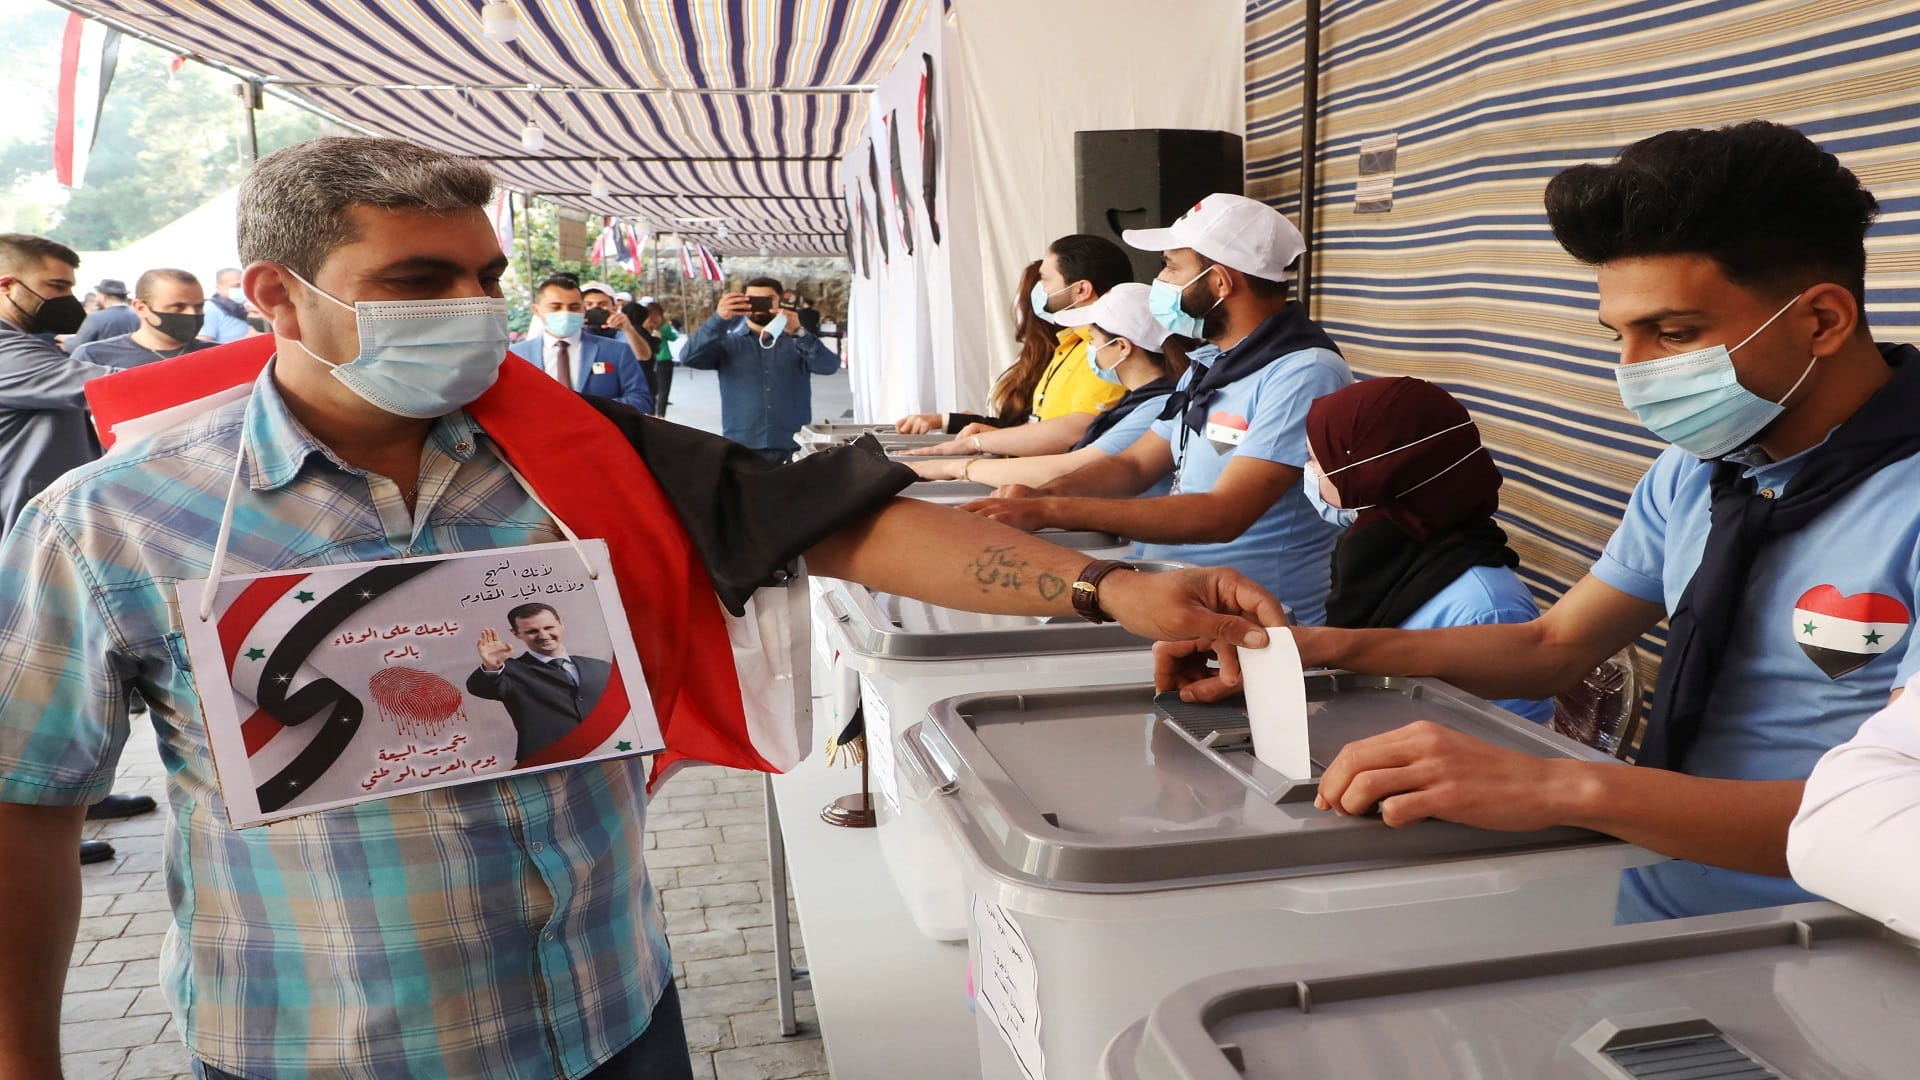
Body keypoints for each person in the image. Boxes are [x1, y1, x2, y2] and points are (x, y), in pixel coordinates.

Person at [0, 135, 1286, 1079]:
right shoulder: (116, 520)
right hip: (322, 1046)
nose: (470, 309)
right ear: (276, 292)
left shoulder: (570, 453)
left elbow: (834, 524)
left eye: (485, 275)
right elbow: (27, 800)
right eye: (416, 280)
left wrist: (1111, 589)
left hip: (608, 1017)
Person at [1160, 121, 1920, 925]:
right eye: (1618, 336)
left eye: (1673, 334)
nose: (1634, 370)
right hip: (1656, 892)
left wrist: (1560, 785)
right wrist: (1309, 650)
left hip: (1840, 933)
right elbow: (1553, 646)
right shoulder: (1700, 471)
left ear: (1823, 321)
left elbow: (1891, 826)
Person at [964, 194, 1354, 625]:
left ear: (1219, 281)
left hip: (1256, 619)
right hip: (1176, 593)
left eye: (1171, 266)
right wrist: (1044, 494)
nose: (1160, 280)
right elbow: (1134, 464)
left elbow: (1224, 512)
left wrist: (1052, 511)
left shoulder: (1303, 372)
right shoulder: (1212, 365)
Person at [0, 235, 155, 868]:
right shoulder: (9, 354)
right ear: (8, 286)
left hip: (46, 537)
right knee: (29, 694)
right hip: (14, 539)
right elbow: (110, 387)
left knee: (77, 684)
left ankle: (79, 799)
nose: (69, 301)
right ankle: (36, 829)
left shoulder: (31, 344)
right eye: (56, 289)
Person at [1301, 377, 1552, 723]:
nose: (1310, 472)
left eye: (1315, 460)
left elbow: (1520, 746)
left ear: (1370, 474)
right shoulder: (1374, 559)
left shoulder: (1488, 610)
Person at [908, 283, 1187, 495]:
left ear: (1122, 347)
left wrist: (954, 468)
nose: (1089, 349)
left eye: (1092, 339)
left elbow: (1070, 468)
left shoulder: (1155, 407)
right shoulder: (1138, 401)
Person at [901, 236, 1135, 457]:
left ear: (1081, 290)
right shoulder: (1070, 344)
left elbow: (1078, 429)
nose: (1040, 290)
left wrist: (980, 443)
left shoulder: (1106, 349)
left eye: (1045, 280)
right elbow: (1040, 423)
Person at [680, 276, 839, 464]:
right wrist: (719, 319)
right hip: (742, 445)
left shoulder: (797, 342)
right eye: (753, 300)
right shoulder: (727, 343)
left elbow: (829, 367)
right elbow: (688, 357)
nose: (760, 306)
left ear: (780, 301)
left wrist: (800, 332)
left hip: (792, 443)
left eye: (767, 299)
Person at [895, 259, 1059, 435]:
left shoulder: (1063, 357)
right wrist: (946, 420)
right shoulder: (1036, 355)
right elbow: (1011, 425)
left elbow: (1034, 434)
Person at [467, 603, 612, 764]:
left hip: (608, 755)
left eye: (549, 627)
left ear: (561, 624)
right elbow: (479, 687)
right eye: (532, 631)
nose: (543, 635)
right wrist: (492, 666)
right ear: (516, 634)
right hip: (546, 763)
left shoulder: (600, 667)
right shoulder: (510, 671)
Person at [509, 274, 652, 412]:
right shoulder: (516, 355)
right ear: (536, 310)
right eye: (556, 307)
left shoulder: (617, 351)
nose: (565, 313)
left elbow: (641, 400)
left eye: (574, 307)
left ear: (583, 310)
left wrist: (591, 409)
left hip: (600, 434)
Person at [71, 268, 215, 370]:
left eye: (198, 307)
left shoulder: (218, 355)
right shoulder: (94, 357)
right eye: (178, 306)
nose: (192, 314)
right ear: (140, 308)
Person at [63, 277, 140, 352]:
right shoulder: (138, 315)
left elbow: (75, 346)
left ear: (103, 297)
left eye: (97, 295)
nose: (96, 298)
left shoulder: (96, 318)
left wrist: (66, 341)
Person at [201, 267, 254, 343]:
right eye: (237, 286)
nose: (242, 289)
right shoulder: (209, 309)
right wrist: (248, 339)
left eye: (244, 285)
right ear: (219, 287)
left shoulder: (247, 306)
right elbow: (204, 347)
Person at [645, 301, 675, 417]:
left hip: (649, 360)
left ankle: (650, 415)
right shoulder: (664, 327)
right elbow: (674, 337)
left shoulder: (645, 327)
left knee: (651, 389)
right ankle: (661, 416)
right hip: (664, 359)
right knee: (663, 390)